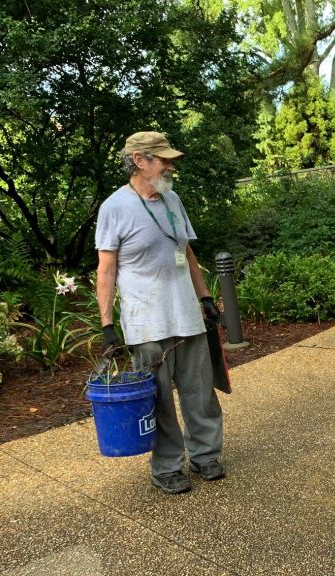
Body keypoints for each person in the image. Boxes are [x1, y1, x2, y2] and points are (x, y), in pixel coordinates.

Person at [95, 131, 224, 494]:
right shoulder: (114, 208)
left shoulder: (172, 200)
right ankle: (167, 466)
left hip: (187, 317)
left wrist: (204, 298)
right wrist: (108, 324)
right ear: (139, 160)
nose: (170, 165)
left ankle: (206, 455)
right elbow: (105, 270)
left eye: (169, 159)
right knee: (160, 400)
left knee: (200, 393)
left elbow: (187, 252)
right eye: (163, 158)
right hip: (145, 324)